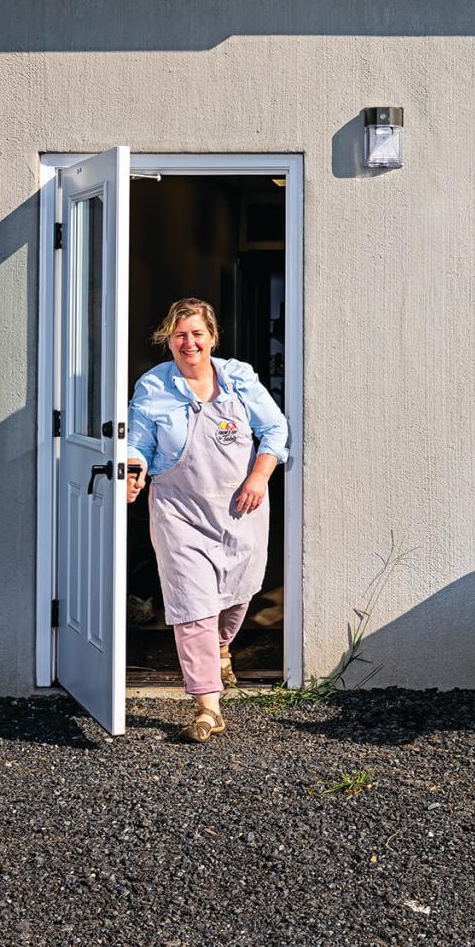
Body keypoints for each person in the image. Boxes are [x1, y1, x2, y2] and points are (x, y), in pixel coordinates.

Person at [126, 297, 288, 742]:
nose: (189, 342)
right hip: (179, 510)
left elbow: (275, 429)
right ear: (168, 340)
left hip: (240, 506)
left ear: (212, 337)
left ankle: (221, 646)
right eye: (180, 335)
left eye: (197, 333)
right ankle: (207, 705)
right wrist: (133, 472)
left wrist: (259, 476)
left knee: (239, 592)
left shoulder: (239, 378)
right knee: (191, 603)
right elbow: (137, 443)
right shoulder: (154, 387)